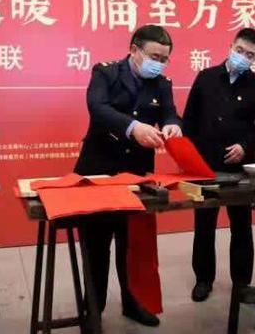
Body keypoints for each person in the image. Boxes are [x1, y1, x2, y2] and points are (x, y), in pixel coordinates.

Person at [74, 24, 183, 327]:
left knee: (132, 244)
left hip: (136, 174)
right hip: (99, 171)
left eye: (164, 59)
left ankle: (133, 302)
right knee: (97, 247)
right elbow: (97, 108)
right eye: (154, 57)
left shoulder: (162, 83)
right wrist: (133, 128)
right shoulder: (106, 72)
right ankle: (92, 309)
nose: (159, 64)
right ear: (134, 49)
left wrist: (174, 125)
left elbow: (170, 112)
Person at [182, 28, 255, 302]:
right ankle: (203, 279)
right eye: (240, 50)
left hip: (239, 169)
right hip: (204, 167)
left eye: (250, 55)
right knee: (203, 224)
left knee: (241, 226)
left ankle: (241, 283)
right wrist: (191, 159)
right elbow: (189, 120)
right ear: (231, 46)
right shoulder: (206, 78)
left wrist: (245, 146)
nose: (243, 57)